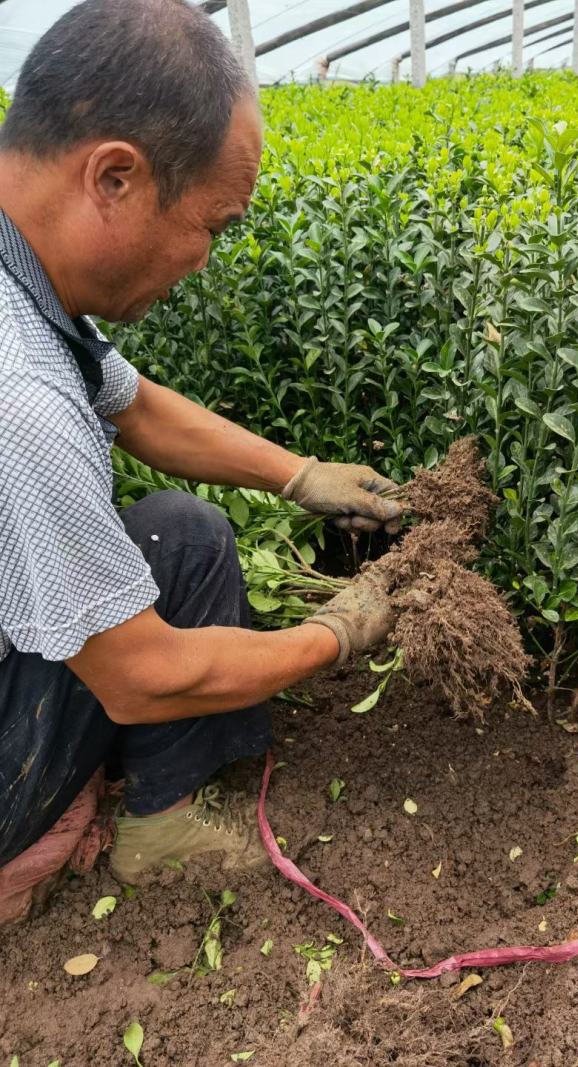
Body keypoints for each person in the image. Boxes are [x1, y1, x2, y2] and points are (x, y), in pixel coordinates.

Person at [0, 0, 403, 921]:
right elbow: (143, 673)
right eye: (213, 225)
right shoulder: (16, 392)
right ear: (114, 177)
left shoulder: (20, 273)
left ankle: (154, 815)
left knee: (183, 535)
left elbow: (134, 403)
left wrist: (300, 474)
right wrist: (335, 634)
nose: (205, 260)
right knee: (145, 626)